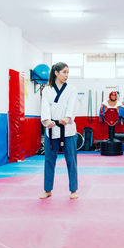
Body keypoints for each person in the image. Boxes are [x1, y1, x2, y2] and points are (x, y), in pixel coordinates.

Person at [40, 62, 78, 199]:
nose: (66, 75)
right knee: (49, 160)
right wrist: (46, 120)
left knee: (71, 160)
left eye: (68, 72)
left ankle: (73, 190)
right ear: (56, 73)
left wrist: (68, 117)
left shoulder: (72, 89)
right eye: (64, 72)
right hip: (52, 129)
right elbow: (44, 107)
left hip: (68, 129)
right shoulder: (47, 90)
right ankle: (47, 189)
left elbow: (72, 105)